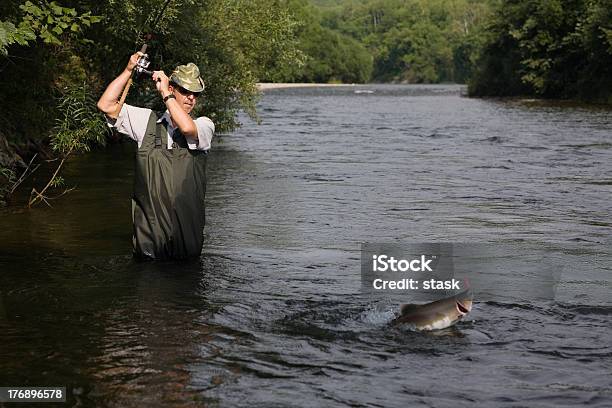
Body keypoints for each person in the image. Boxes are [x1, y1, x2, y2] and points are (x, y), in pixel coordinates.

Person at [97, 52, 214, 260]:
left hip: (186, 242)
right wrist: (128, 70)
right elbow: (105, 106)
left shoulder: (204, 125)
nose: (191, 98)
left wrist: (165, 95)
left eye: (196, 94)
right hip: (149, 242)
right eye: (185, 91)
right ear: (172, 88)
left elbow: (187, 128)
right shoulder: (147, 122)